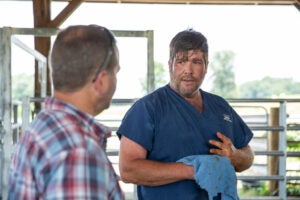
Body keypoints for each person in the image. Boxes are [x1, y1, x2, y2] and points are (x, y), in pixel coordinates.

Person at [117, 28, 254, 199]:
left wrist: (235, 156)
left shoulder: (221, 107)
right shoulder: (148, 108)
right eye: (181, 61)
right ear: (170, 65)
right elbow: (128, 170)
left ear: (206, 66)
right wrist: (194, 170)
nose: (188, 70)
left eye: (196, 62)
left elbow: (248, 155)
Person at [8, 25, 124, 200]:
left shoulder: (45, 123)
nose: (116, 79)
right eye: (115, 72)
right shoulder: (79, 152)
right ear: (101, 81)